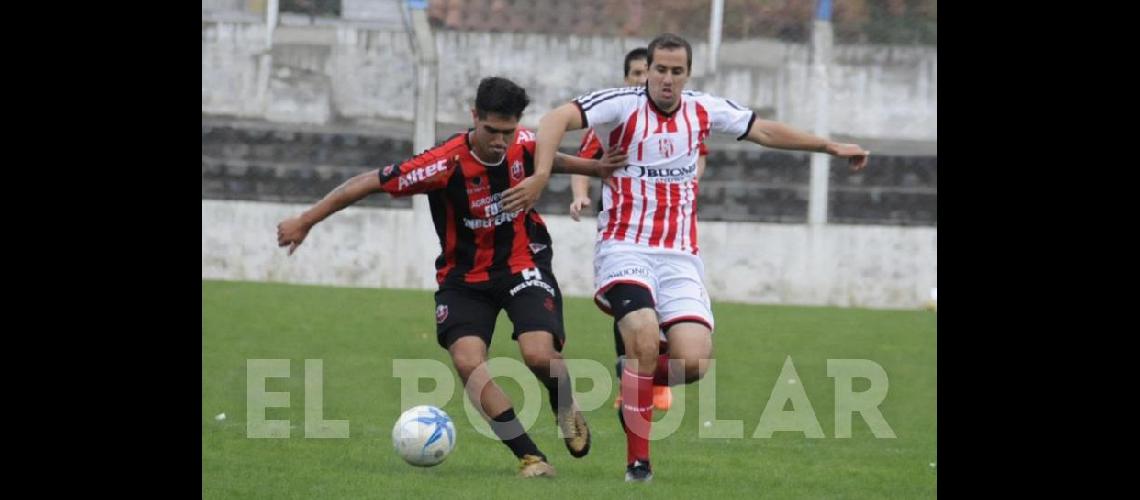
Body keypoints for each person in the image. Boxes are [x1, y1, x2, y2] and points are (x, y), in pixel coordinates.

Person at [512, 33, 870, 482]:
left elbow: (763, 130)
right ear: (650, 68)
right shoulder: (620, 105)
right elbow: (554, 120)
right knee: (642, 334)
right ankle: (638, 465)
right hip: (625, 246)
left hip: (680, 256)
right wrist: (542, 174)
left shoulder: (702, 109)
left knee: (695, 363)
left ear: (687, 74)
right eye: (659, 69)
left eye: (675, 71)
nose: (665, 78)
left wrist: (830, 147)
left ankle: (634, 379)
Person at [277, 76, 628, 478]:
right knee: (467, 362)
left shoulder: (523, 143)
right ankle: (530, 456)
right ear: (473, 117)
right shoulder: (443, 163)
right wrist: (306, 220)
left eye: (507, 132)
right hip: (464, 278)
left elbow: (546, 155)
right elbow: (369, 182)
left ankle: (563, 402)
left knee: (538, 355)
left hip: (521, 262)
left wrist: (595, 167)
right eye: (491, 130)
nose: (500, 141)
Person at [568, 47, 700, 413]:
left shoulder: (685, 117)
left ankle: (642, 376)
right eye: (637, 74)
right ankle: (635, 381)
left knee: (665, 315)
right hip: (624, 222)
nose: (646, 80)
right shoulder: (614, 119)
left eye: (650, 71)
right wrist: (580, 196)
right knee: (633, 305)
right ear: (627, 79)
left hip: (668, 227)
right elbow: (585, 162)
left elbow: (698, 156)